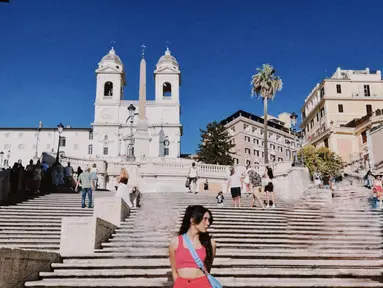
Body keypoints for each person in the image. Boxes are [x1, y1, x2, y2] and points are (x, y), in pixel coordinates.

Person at [169, 205, 216, 288]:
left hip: (203, 284)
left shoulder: (210, 244)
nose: (208, 223)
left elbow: (208, 268)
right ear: (193, 220)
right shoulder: (175, 242)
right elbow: (174, 271)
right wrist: (179, 284)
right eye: (205, 219)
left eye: (209, 220)